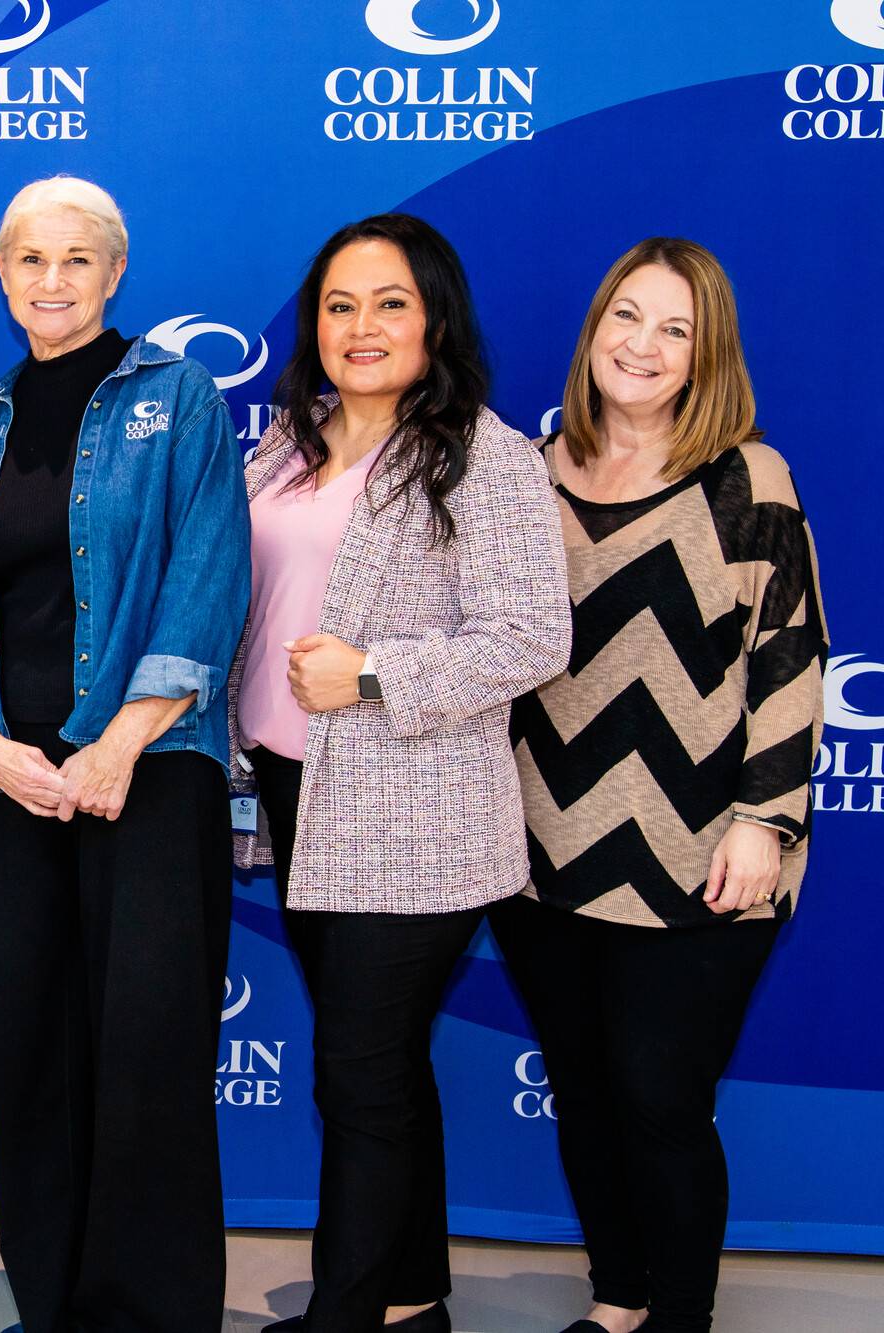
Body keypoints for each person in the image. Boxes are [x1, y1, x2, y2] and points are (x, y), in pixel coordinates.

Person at [231, 214, 571, 1333]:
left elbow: (530, 636)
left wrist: (374, 672)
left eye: (387, 303)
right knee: (378, 1073)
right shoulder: (285, 443)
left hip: (413, 815)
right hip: (296, 796)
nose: (359, 326)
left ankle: (345, 1315)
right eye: (338, 305)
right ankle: (408, 1302)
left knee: (358, 1077)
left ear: (434, 317)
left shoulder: (483, 453)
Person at [0, 175, 250, 1333]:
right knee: (35, 1047)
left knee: (146, 1051)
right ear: (2, 275)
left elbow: (207, 579)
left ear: (115, 273)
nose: (51, 280)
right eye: (29, 259)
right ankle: (53, 1301)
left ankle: (146, 1314)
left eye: (77, 259)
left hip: (148, 773)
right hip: (18, 780)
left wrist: (117, 742)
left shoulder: (180, 397)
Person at [496, 238, 826, 1333]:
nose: (639, 345)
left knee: (658, 1096)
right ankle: (619, 1300)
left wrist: (762, 825)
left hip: (704, 849)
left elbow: (789, 665)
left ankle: (680, 1315)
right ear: (592, 330)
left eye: (672, 329)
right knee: (585, 1093)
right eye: (624, 318)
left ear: (704, 356)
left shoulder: (747, 480)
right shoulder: (534, 472)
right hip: (542, 845)